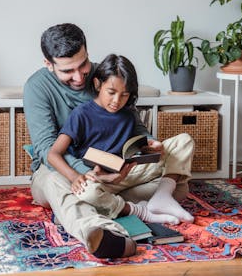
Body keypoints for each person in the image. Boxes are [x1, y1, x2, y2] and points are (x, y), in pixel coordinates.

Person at [24, 23, 194, 259]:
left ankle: (119, 202)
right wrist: (88, 175)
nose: (79, 76)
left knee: (179, 180)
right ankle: (107, 233)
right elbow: (47, 150)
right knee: (58, 183)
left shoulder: (105, 74)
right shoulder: (37, 87)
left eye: (83, 65)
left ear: (87, 51)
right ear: (48, 64)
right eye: (67, 71)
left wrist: (150, 144)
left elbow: (135, 125)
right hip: (62, 170)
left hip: (116, 170)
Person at [48, 54, 186, 225]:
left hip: (129, 172)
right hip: (102, 179)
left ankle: (162, 196)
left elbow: (139, 142)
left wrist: (151, 145)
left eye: (124, 95)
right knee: (87, 193)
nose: (116, 101)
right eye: (111, 92)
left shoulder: (128, 114)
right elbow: (53, 154)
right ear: (98, 84)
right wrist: (76, 176)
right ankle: (139, 210)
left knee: (184, 141)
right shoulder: (81, 114)